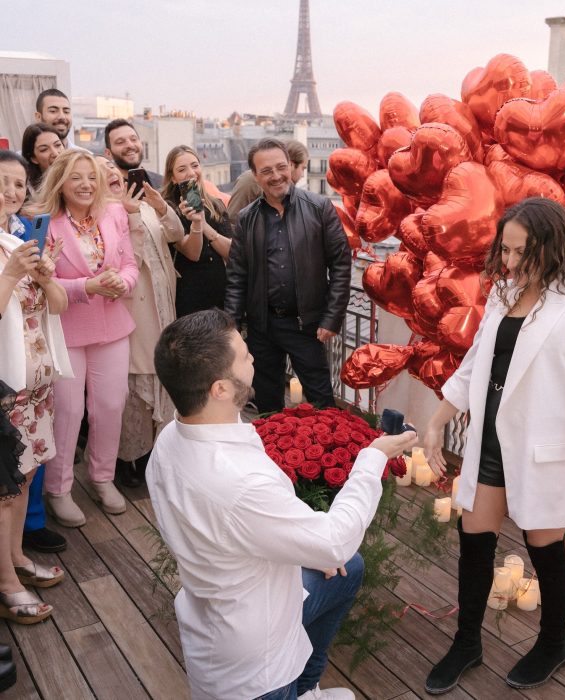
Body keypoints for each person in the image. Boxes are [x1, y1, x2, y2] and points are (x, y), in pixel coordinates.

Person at [147, 309, 417, 699]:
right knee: (342, 558)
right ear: (219, 389)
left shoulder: (173, 436)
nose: (254, 356)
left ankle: (306, 688)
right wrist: (373, 457)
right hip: (256, 661)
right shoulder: (238, 483)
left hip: (222, 611)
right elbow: (334, 541)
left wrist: (309, 552)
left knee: (346, 570)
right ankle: (295, 689)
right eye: (243, 355)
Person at [422, 197, 565, 694]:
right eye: (505, 251)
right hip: (489, 440)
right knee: (475, 541)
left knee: (544, 549)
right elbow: (476, 364)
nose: (508, 263)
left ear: (551, 248)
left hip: (543, 451)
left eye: (519, 253)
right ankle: (466, 641)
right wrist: (436, 422)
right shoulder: (502, 293)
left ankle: (553, 643)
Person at [37, 151, 138, 526]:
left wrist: (121, 282)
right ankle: (58, 489)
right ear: (60, 181)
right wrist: (85, 286)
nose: (85, 185)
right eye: (76, 177)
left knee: (111, 405)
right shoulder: (44, 222)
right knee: (67, 411)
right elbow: (39, 281)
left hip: (112, 325)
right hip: (66, 329)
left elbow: (129, 264)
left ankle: (102, 477)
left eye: (91, 177)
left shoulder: (112, 214)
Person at [225, 138, 350, 414]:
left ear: (291, 167)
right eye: (266, 171)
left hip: (306, 324)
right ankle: (270, 454)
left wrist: (332, 318)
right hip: (262, 325)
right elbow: (237, 275)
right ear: (255, 177)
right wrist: (232, 327)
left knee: (320, 399)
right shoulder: (247, 218)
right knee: (267, 401)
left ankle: (326, 453)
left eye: (281, 167)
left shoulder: (319, 208)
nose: (276, 175)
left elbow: (341, 264)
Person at [97, 155, 197, 488]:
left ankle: (157, 454)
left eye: (114, 170)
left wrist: (160, 207)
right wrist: (129, 215)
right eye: (103, 171)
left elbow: (176, 234)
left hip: (163, 305)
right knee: (134, 389)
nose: (112, 174)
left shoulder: (143, 205)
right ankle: (129, 459)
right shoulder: (101, 217)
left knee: (161, 379)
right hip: (132, 310)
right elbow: (127, 260)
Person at [0, 192, 72, 624]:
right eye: (2, 181)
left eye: (17, 183)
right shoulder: (10, 254)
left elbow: (59, 306)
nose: (10, 192)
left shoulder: (13, 241)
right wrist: (11, 274)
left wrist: (46, 277)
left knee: (25, 478)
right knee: (4, 491)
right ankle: (6, 580)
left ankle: (16, 557)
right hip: (6, 389)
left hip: (37, 385)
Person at [162, 145, 233, 317]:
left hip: (219, 293)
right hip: (188, 295)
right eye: (182, 169)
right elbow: (192, 253)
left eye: (195, 165)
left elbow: (232, 253)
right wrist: (195, 224)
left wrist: (205, 225)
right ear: (172, 178)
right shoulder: (167, 209)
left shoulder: (216, 204)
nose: (191, 172)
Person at [227, 140, 309, 227]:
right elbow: (232, 222)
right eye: (303, 168)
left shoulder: (292, 193)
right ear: (291, 165)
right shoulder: (249, 181)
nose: (302, 175)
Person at [104, 119, 163, 190]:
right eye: (120, 142)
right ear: (108, 153)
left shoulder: (163, 183)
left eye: (134, 139)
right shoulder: (104, 189)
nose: (130, 145)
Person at [21, 124, 65, 192]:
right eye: (44, 149)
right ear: (33, 158)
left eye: (58, 145)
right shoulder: (27, 190)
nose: (55, 153)